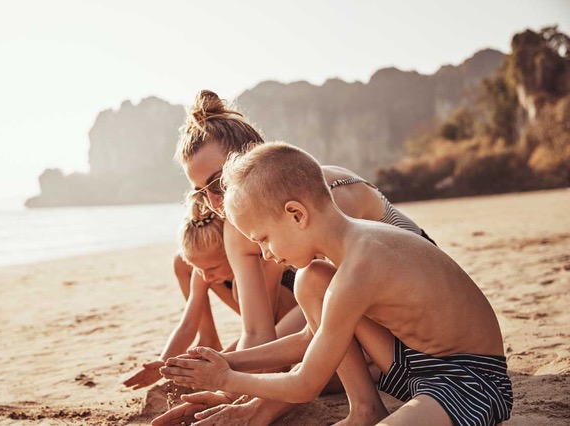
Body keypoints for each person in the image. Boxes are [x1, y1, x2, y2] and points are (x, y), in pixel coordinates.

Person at [161, 141, 513, 426]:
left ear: (296, 215)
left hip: (469, 378)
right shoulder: (341, 257)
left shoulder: (362, 265)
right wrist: (226, 360)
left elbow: (306, 384)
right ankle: (365, 411)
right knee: (310, 282)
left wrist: (225, 380)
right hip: (411, 360)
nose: (266, 255)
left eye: (264, 238)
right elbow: (307, 341)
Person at [153, 90, 438, 425]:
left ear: (251, 154)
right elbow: (259, 333)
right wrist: (227, 393)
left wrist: (254, 408)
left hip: (423, 312)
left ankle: (365, 409)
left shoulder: (320, 196)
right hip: (365, 322)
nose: (214, 202)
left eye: (217, 183)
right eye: (201, 193)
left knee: (315, 316)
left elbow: (328, 324)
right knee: (310, 338)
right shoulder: (236, 228)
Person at [123, 194, 299, 390]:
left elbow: (262, 333)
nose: (206, 277)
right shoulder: (206, 271)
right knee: (181, 262)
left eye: (213, 268)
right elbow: (188, 324)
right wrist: (164, 361)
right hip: (261, 325)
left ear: (232, 251)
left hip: (287, 321)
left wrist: (218, 362)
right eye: (201, 269)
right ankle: (209, 339)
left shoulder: (265, 264)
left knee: (238, 294)